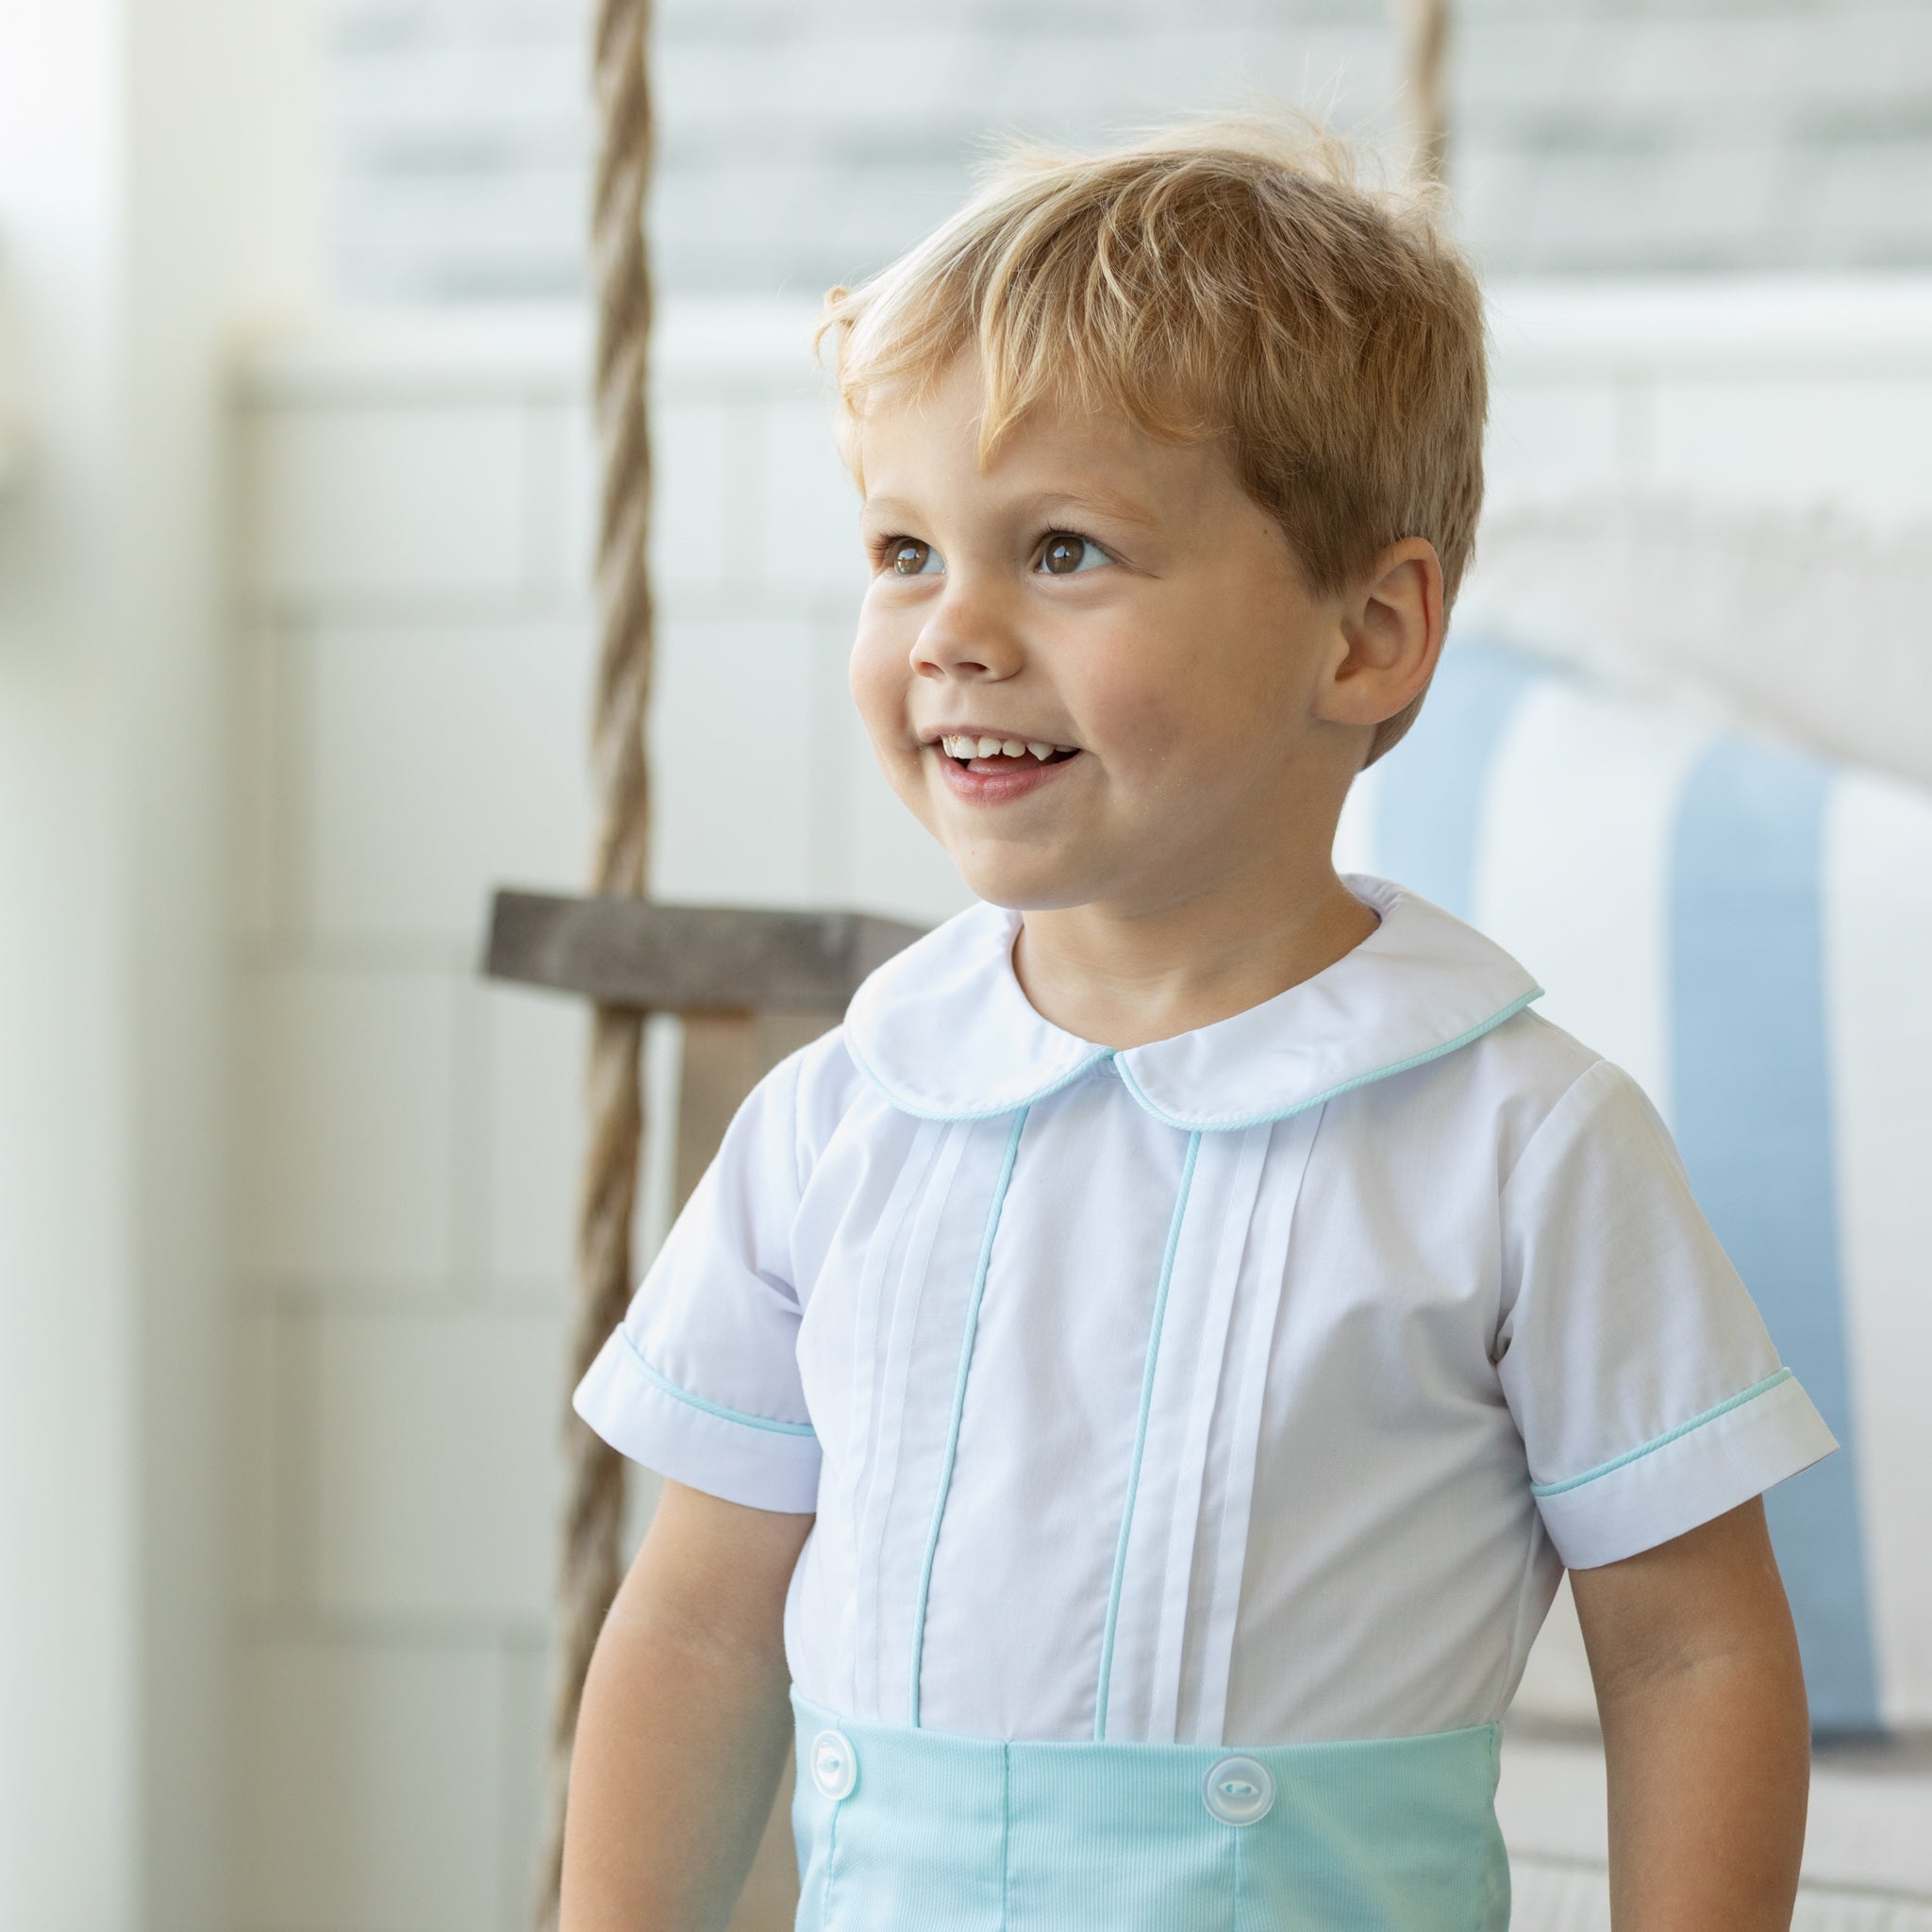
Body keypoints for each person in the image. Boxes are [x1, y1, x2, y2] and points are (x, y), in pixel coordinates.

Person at [558, 119, 1833, 1932]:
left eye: (1064, 550)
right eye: (905, 551)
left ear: (1368, 636)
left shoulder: (1522, 1144)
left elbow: (1694, 1653)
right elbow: (694, 1623)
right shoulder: (838, 1120)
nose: (952, 633)